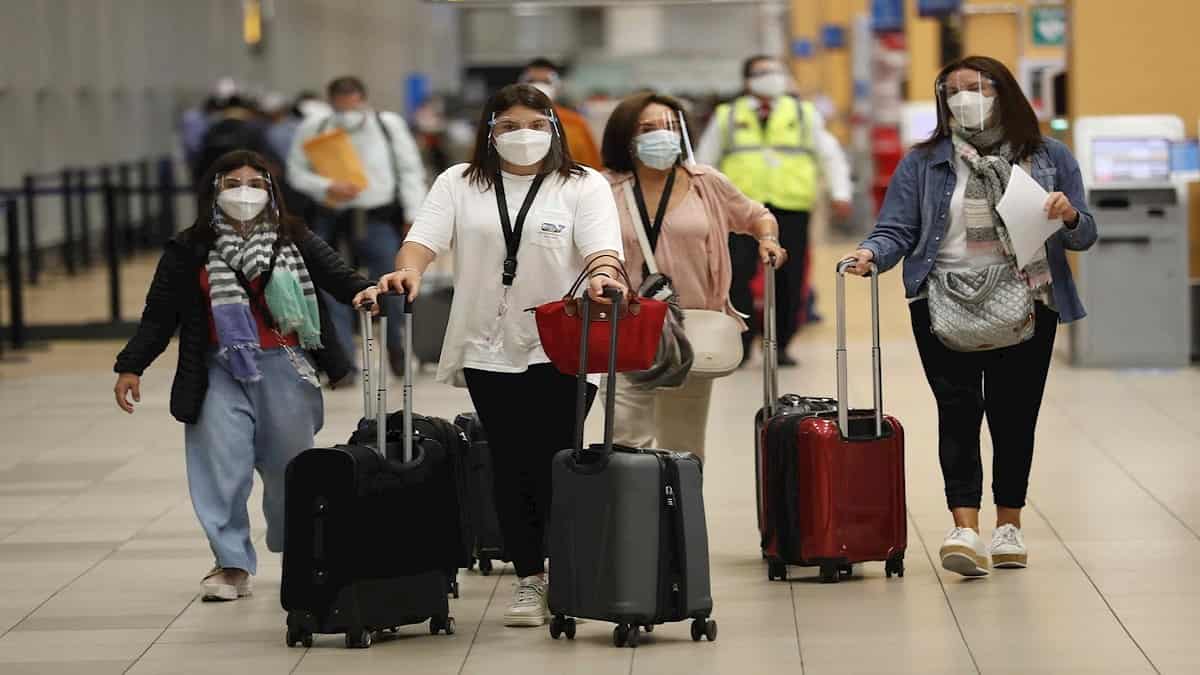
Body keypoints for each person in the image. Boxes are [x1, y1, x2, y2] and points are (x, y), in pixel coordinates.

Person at [377, 84, 626, 628]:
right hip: (487, 345)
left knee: (557, 458)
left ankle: (568, 568)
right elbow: (423, 239)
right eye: (509, 125)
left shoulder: (582, 184)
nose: (523, 135)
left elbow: (602, 249)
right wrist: (408, 271)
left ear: (554, 130)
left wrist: (604, 276)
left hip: (562, 343)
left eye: (535, 125)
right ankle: (530, 577)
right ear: (489, 132)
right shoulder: (459, 183)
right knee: (511, 463)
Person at [841, 56, 1097, 578]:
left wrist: (1069, 215)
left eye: (977, 87)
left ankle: (1009, 527)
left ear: (1004, 93)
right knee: (957, 413)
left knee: (1013, 415)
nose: (965, 98)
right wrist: (871, 254)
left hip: (1028, 300)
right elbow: (897, 228)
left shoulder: (1049, 156)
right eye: (953, 90)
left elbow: (1085, 234)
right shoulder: (923, 162)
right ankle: (965, 528)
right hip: (942, 301)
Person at [113, 151, 381, 601]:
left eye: (256, 184)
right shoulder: (189, 248)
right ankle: (231, 563)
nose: (244, 192)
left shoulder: (293, 237)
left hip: (285, 368)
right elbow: (159, 315)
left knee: (289, 472)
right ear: (213, 191)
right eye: (232, 183)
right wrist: (131, 365)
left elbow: (339, 277)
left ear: (272, 192)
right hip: (217, 369)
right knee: (221, 469)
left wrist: (366, 291)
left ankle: (297, 551)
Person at [600, 92, 785, 460]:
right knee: (626, 440)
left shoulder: (706, 183)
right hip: (625, 326)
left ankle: (679, 499)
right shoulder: (603, 189)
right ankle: (634, 498)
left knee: (683, 443)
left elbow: (756, 215)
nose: (662, 134)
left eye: (670, 126)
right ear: (626, 136)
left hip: (692, 327)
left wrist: (768, 239)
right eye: (648, 128)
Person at [697, 54, 852, 366]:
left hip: (790, 206)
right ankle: (740, 342)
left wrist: (840, 192)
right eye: (761, 72)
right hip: (739, 211)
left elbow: (830, 154)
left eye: (775, 71)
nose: (770, 77)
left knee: (789, 277)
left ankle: (781, 344)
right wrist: (699, 199)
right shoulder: (728, 115)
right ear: (747, 80)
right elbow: (705, 159)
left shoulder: (804, 113)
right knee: (735, 275)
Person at [287, 76, 427, 377]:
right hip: (332, 218)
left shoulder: (387, 124)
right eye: (341, 104)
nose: (347, 110)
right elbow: (296, 172)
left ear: (362, 99)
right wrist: (326, 185)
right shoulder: (315, 126)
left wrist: (413, 214)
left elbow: (409, 170)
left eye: (352, 103)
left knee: (392, 284)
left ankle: (396, 345)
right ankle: (344, 361)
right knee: (333, 288)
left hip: (377, 217)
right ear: (331, 101)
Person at [520, 57, 604, 169]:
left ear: (557, 85)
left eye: (546, 82)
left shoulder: (575, 123)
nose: (539, 86)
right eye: (532, 81)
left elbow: (593, 166)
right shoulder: (509, 121)